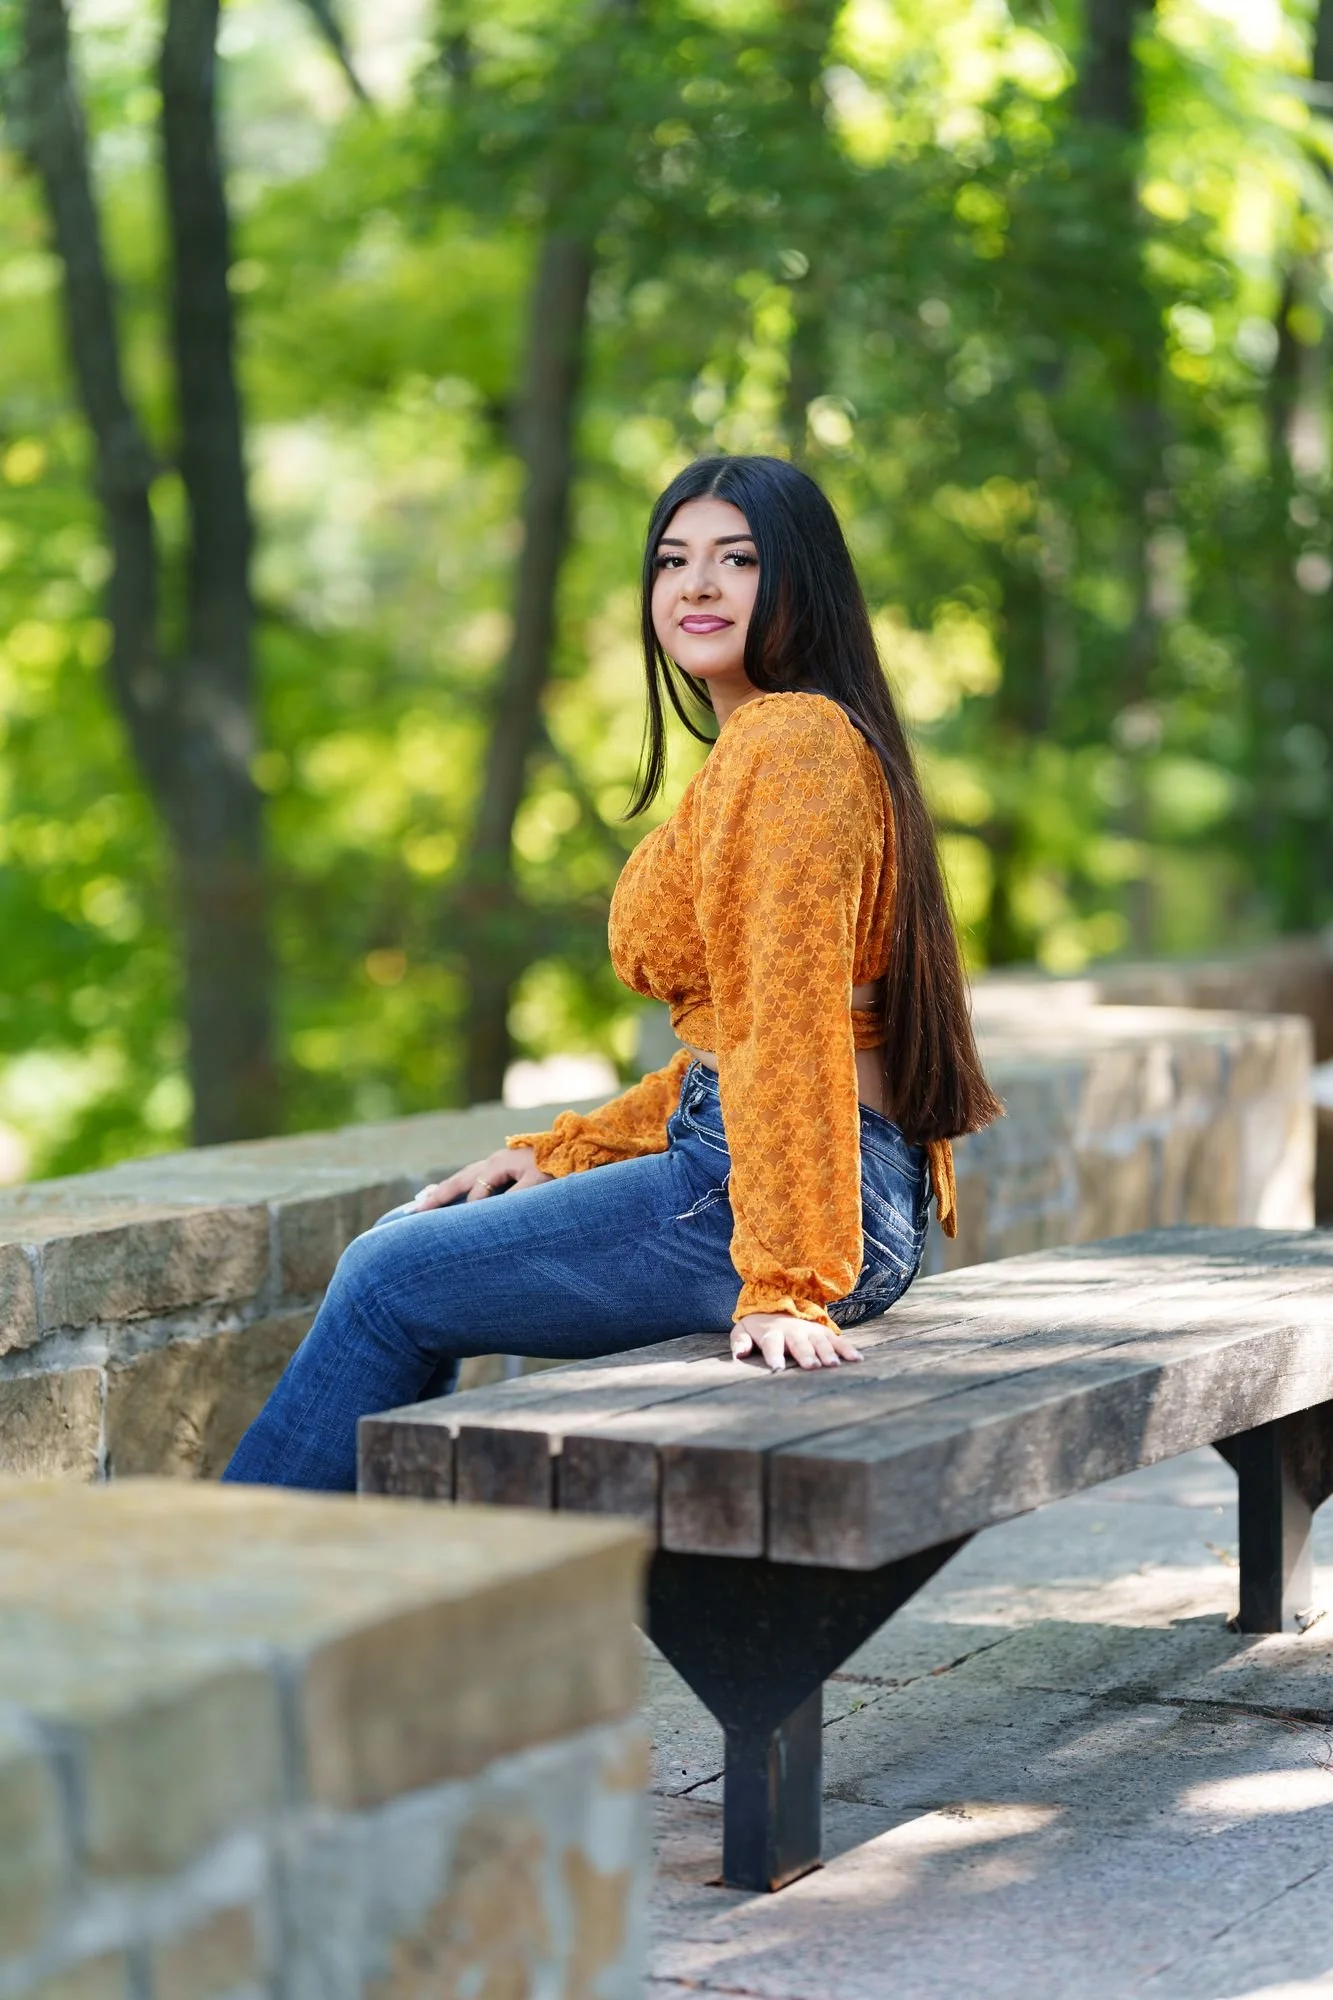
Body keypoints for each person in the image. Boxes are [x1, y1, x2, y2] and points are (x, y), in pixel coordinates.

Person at [224, 454, 1002, 1492]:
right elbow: (732, 1042)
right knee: (420, 1240)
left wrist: (784, 1279)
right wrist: (568, 1151)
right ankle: (350, 1600)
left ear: (801, 581)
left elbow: (786, 1022)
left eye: (738, 558)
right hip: (796, 1183)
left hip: (778, 1202)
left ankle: (227, 1601)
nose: (696, 585)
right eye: (672, 559)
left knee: (383, 1277)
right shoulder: (784, 744)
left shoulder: (793, 743)